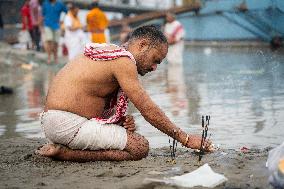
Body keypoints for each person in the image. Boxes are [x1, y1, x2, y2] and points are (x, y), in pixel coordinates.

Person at [36, 25, 212, 162]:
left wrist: (120, 121)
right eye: (155, 60)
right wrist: (186, 139)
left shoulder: (112, 52)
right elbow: (147, 109)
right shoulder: (123, 60)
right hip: (67, 124)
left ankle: (63, 147)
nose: (154, 67)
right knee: (139, 147)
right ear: (142, 45)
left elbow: (93, 97)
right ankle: (66, 154)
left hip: (53, 122)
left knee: (128, 135)